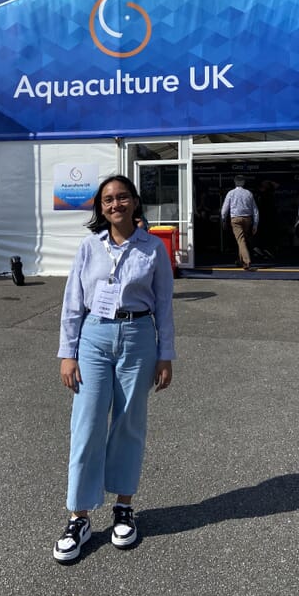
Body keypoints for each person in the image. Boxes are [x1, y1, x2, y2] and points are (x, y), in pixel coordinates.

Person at [53, 174, 176, 563]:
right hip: (94, 336)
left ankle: (124, 506)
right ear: (100, 208)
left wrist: (165, 354)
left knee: (128, 422)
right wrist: (67, 353)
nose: (115, 204)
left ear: (135, 202)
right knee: (86, 423)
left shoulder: (153, 249)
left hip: (139, 336)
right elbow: (73, 303)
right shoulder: (89, 248)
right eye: (107, 199)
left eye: (122, 197)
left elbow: (165, 306)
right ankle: (80, 515)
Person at [220, 175, 259, 270]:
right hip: (247, 219)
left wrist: (223, 219)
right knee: (242, 240)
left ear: (235, 182)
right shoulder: (249, 193)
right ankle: (240, 260)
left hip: (235, 219)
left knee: (240, 240)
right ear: (244, 183)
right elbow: (255, 210)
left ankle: (246, 261)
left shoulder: (231, 193)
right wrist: (255, 224)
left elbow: (225, 209)